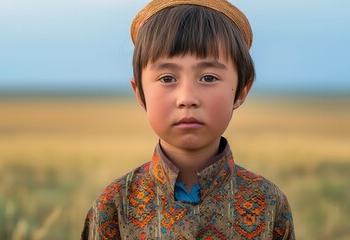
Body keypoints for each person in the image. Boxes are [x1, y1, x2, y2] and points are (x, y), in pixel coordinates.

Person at [82, 0, 295, 239]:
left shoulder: (268, 202)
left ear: (241, 91)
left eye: (208, 77)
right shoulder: (113, 205)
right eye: (167, 78)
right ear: (140, 93)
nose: (187, 98)